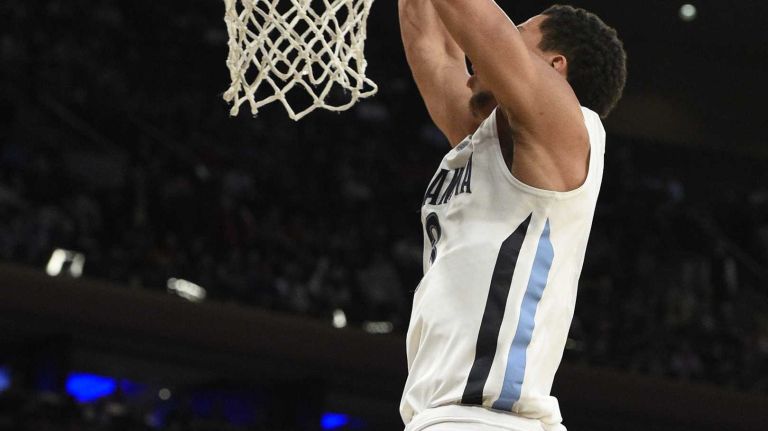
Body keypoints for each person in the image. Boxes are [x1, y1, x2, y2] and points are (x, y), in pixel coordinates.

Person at [397, 1, 627, 430]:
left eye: (517, 32)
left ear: (554, 67)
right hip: (449, 417)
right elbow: (432, 45)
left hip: (486, 419)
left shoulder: (564, 126)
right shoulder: (482, 140)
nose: (480, 55)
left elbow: (474, 17)